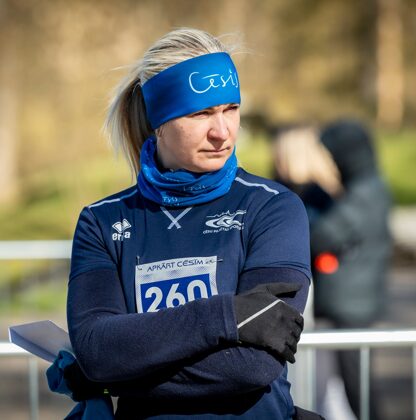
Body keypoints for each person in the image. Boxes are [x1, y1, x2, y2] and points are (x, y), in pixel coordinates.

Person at [64, 28, 313, 419]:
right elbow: (97, 349)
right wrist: (225, 316)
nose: (222, 131)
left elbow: (252, 365)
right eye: (200, 113)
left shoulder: (273, 207)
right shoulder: (103, 221)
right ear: (159, 121)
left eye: (231, 108)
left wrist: (114, 374)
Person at [272, 121, 392, 419]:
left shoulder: (363, 193)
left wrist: (294, 224)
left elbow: (322, 236)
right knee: (345, 385)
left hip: (350, 305)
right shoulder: (362, 189)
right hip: (349, 301)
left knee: (357, 387)